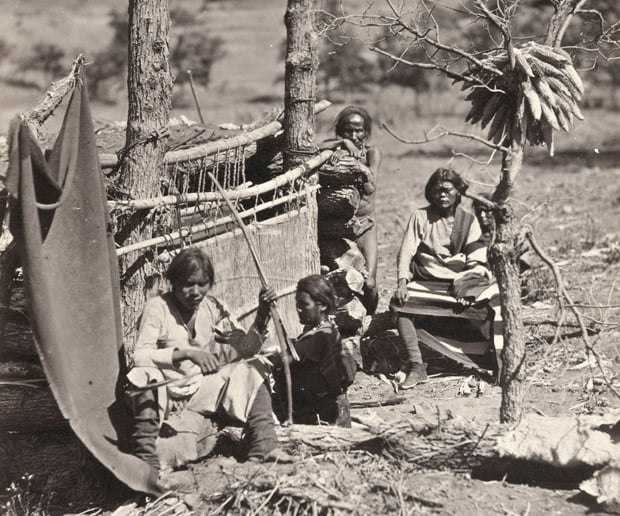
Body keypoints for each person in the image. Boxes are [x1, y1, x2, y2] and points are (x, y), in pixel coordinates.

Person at [126, 247, 292, 472]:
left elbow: (247, 348)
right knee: (143, 376)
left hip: (200, 390)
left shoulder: (212, 307)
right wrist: (186, 353)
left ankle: (264, 446)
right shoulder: (157, 308)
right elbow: (140, 356)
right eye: (187, 284)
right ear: (173, 283)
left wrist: (262, 314)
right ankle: (148, 466)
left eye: (202, 284)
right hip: (168, 400)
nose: (195, 292)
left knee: (253, 367)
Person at [391, 168, 490, 390]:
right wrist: (402, 283)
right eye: (436, 191)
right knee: (399, 305)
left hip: (459, 283)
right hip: (426, 281)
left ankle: (484, 359)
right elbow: (406, 251)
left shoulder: (468, 221)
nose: (442, 196)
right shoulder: (421, 217)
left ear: (458, 192)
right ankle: (417, 365)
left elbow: (476, 259)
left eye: (447, 190)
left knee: (487, 309)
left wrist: (469, 288)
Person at [319, 106, 382, 314]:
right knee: (340, 281)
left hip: (365, 226)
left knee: (369, 283)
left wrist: (355, 165)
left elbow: (371, 185)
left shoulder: (372, 154)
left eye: (359, 130)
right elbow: (315, 148)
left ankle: (371, 319)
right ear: (340, 131)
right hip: (338, 229)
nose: (354, 136)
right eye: (348, 131)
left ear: (366, 132)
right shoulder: (336, 153)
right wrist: (341, 145)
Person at [273, 275, 353, 427]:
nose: (298, 308)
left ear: (321, 305)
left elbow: (287, 359)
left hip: (325, 418)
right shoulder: (318, 329)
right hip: (326, 410)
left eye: (304, 304)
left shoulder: (322, 335)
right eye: (297, 303)